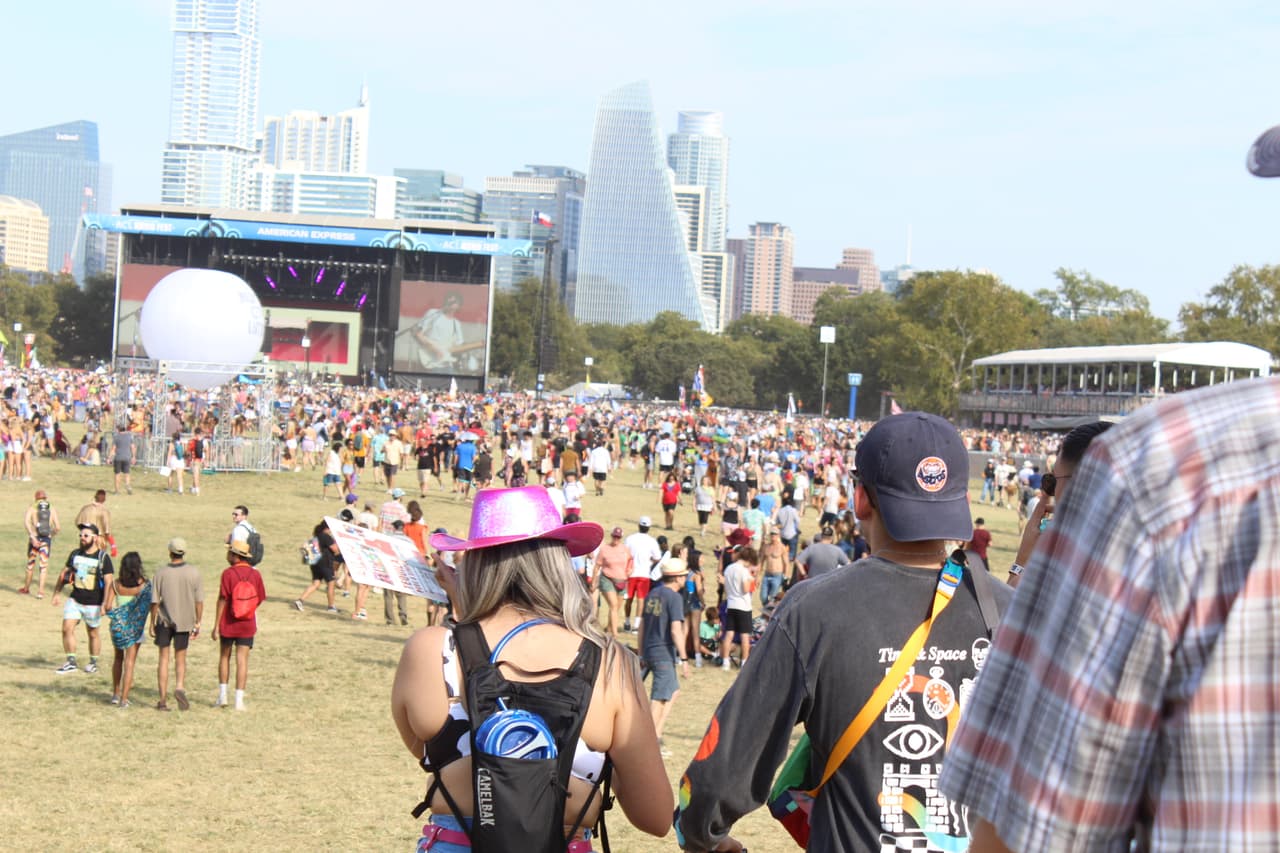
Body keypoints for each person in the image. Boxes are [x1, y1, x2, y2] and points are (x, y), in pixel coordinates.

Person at [938, 381, 1279, 851]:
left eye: (1053, 484)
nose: (1045, 496)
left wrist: (1028, 568)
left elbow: (1037, 822)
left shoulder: (1157, 468)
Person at [676, 411, 1013, 853]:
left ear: (860, 499)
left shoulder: (814, 608)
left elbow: (722, 771)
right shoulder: (1015, 611)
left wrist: (701, 832)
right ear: (961, 502)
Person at [391, 486, 673, 851]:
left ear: (474, 563)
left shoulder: (431, 650)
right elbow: (655, 816)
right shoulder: (610, 663)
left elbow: (436, 753)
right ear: (558, 563)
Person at [1007, 420, 1113, 588]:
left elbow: (1004, 609)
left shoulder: (1054, 571)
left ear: (1078, 484)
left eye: (1053, 481)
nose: (1051, 492)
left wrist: (1022, 562)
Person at [639, 554, 690, 755]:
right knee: (659, 698)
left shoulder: (653, 593)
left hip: (650, 650)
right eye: (684, 576)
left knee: (673, 691)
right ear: (677, 578)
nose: (685, 579)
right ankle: (647, 743)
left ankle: (657, 734)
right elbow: (676, 630)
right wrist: (684, 659)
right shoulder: (674, 598)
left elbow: (642, 624)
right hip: (663, 653)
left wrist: (642, 652)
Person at [51, 522, 115, 674]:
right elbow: (63, 574)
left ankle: (93, 662)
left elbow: (108, 582)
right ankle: (71, 661)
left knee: (93, 633)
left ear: (94, 537)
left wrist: (105, 603)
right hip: (75, 599)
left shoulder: (103, 558)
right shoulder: (75, 554)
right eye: (80, 535)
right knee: (66, 628)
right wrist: (57, 593)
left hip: (94, 603)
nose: (82, 538)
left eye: (86, 535)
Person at [151, 537, 204, 712]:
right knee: (180, 658)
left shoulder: (161, 573)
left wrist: (152, 622)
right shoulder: (193, 572)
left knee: (163, 659)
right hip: (185, 621)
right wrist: (198, 622)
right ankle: (180, 686)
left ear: (170, 552)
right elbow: (199, 601)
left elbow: (155, 602)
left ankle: (162, 700)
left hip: (164, 621)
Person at [212, 539, 266, 710]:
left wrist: (216, 624)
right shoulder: (255, 574)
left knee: (224, 657)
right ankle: (239, 700)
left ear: (235, 556)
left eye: (229, 552)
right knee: (242, 660)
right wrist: (247, 609)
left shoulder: (227, 574)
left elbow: (222, 599)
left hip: (228, 622)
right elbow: (261, 597)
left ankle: (222, 696)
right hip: (247, 623)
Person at [106, 551, 152, 709]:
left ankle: (115, 693)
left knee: (118, 659)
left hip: (118, 628)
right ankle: (124, 699)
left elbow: (107, 606)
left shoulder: (116, 584)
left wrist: (119, 614)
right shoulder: (144, 585)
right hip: (134, 629)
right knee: (130, 663)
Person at [718, 545, 757, 670]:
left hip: (731, 603)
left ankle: (725, 661)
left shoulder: (729, 568)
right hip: (743, 606)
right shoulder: (744, 571)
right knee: (745, 636)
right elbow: (745, 589)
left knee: (729, 634)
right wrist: (752, 582)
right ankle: (744, 662)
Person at [408, 290, 465, 370]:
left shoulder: (456, 324)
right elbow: (417, 333)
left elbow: (459, 345)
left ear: (458, 306)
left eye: (454, 301)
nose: (450, 301)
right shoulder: (434, 313)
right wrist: (435, 350)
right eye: (449, 298)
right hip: (429, 360)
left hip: (446, 364)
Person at [591, 526, 632, 637]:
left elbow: (630, 560)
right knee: (613, 605)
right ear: (611, 536)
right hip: (607, 579)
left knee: (616, 608)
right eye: (614, 536)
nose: (616, 539)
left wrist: (630, 570)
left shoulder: (625, 549)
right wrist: (594, 581)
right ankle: (615, 634)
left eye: (618, 537)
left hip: (622, 580)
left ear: (621, 538)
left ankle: (609, 629)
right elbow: (597, 565)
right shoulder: (605, 549)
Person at [623, 517, 662, 633]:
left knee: (628, 599)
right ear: (648, 528)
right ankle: (636, 625)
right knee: (641, 600)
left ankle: (627, 621)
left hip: (631, 573)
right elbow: (657, 557)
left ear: (639, 526)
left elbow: (625, 553)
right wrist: (650, 562)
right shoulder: (652, 541)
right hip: (644, 573)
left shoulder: (630, 538)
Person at [294, 520, 340, 614]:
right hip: (326, 563)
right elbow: (335, 550)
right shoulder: (326, 537)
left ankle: (300, 600)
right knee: (331, 584)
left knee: (316, 584)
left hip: (315, 563)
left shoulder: (317, 536)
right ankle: (331, 606)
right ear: (327, 528)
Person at [21, 489, 60, 598]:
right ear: (45, 498)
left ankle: (26, 588)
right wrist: (50, 535)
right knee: (43, 566)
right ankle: (41, 592)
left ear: (36, 498)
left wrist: (32, 536)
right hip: (46, 540)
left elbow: (26, 522)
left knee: (30, 564)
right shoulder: (51, 508)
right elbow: (57, 527)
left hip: (34, 539)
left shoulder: (32, 507)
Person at [111, 422, 136, 495]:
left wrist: (109, 458)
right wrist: (133, 457)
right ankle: (128, 485)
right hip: (127, 457)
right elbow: (133, 447)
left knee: (117, 474)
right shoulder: (129, 436)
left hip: (118, 457)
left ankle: (117, 491)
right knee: (127, 473)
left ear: (118, 429)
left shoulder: (116, 437)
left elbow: (113, 449)